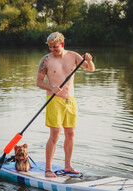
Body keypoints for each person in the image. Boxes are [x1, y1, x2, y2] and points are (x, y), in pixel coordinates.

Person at [36, 32, 95, 178]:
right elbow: (38, 82)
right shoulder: (46, 60)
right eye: (50, 47)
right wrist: (51, 88)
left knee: (70, 134)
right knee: (55, 135)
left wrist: (89, 60)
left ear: (62, 44)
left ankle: (68, 166)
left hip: (70, 101)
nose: (52, 50)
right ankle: (48, 169)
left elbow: (90, 68)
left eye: (55, 47)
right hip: (54, 101)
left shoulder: (73, 56)